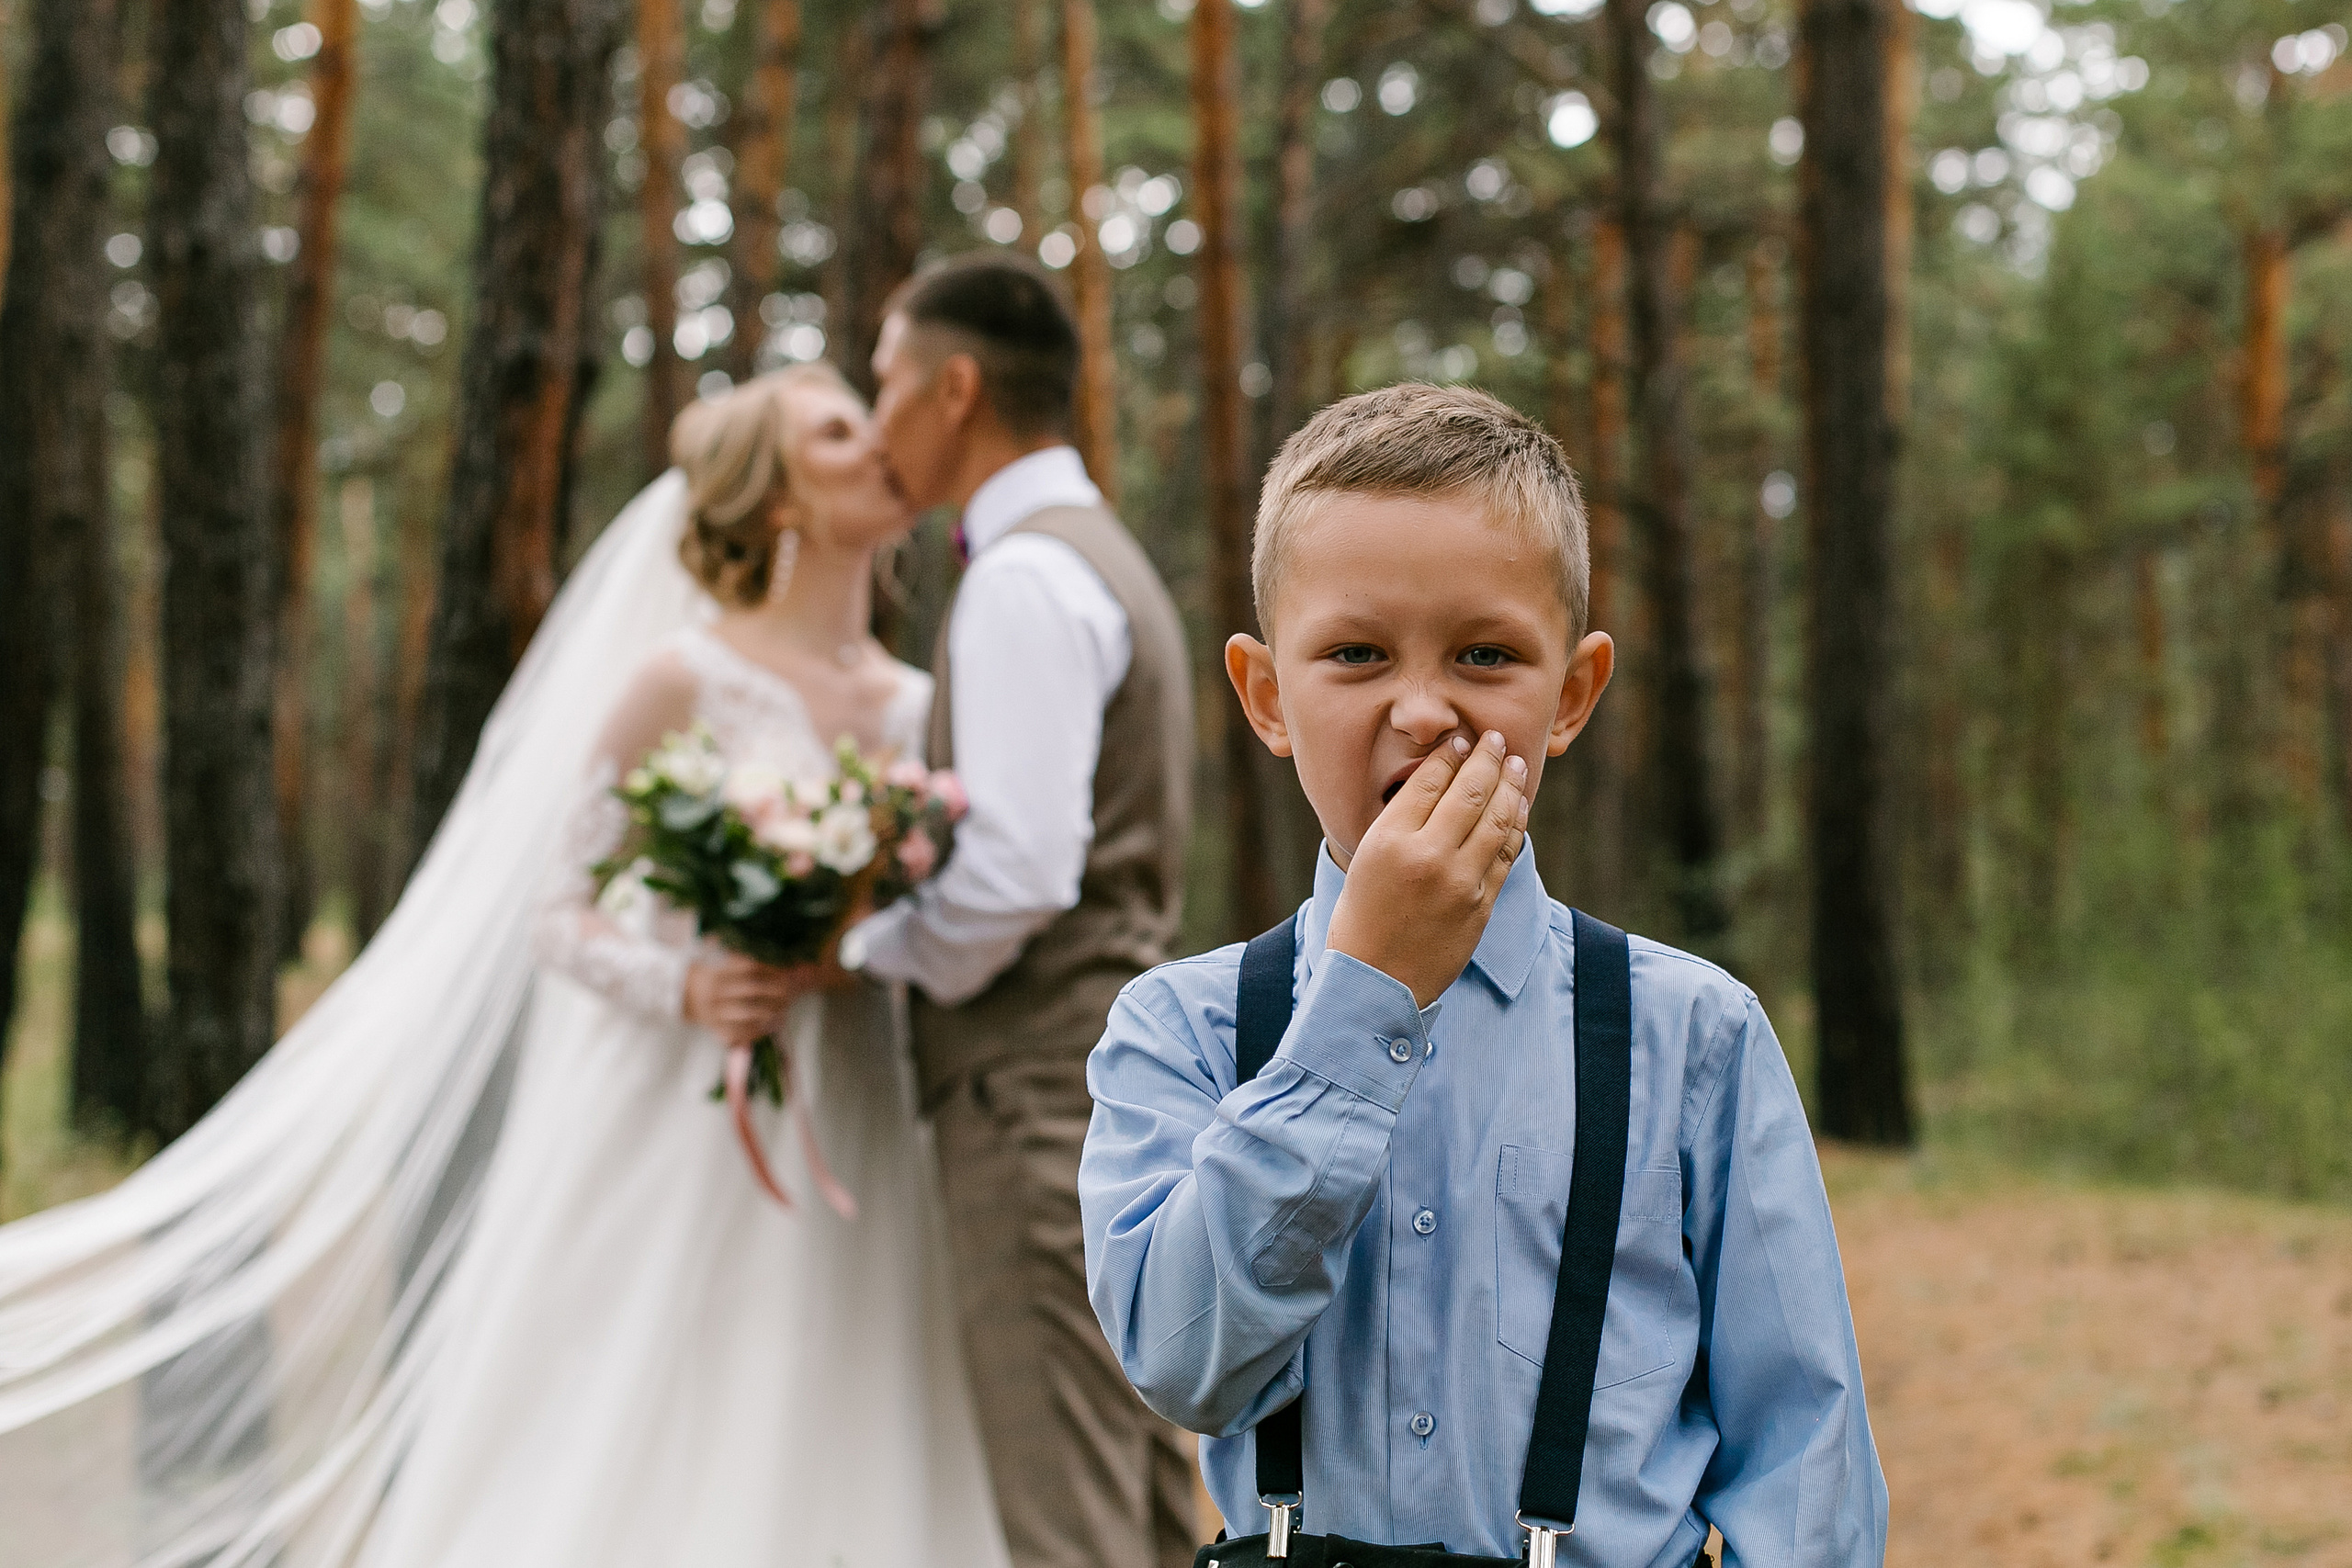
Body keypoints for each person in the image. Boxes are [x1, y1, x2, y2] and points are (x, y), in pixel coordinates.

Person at [0, 366, 1010, 1567]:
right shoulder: (683, 678)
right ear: (778, 498)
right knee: (657, 1402)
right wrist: (686, 984)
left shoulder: (918, 705)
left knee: (849, 1388)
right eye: (836, 431)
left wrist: (856, 950)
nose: (876, 442)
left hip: (859, 1102)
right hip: (679, 1111)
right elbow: (558, 910)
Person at [1079, 384, 1888, 1563]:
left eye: (1486, 655)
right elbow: (1179, 1356)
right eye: (1354, 654)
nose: (1422, 711)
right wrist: (1362, 996)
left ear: (1570, 694)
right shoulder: (1181, 1029)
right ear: (1266, 696)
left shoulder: (1692, 1034)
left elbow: (1803, 1446)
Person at [843, 251, 1200, 1568]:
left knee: (1070, 1518)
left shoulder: (1024, 579)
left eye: (884, 383)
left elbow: (1018, 871)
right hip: (1096, 1082)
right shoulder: (1088, 555)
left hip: (1029, 1096)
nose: (875, 416)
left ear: (956, 387)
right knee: (1142, 1499)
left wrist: (861, 950)